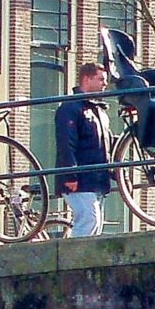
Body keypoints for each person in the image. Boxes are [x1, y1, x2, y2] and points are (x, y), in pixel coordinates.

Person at [53, 59, 111, 238]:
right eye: (101, 80)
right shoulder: (70, 108)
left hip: (95, 178)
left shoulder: (98, 110)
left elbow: (106, 143)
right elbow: (66, 142)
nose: (105, 85)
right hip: (81, 178)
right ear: (87, 79)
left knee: (94, 222)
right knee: (89, 219)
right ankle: (74, 261)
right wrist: (70, 174)